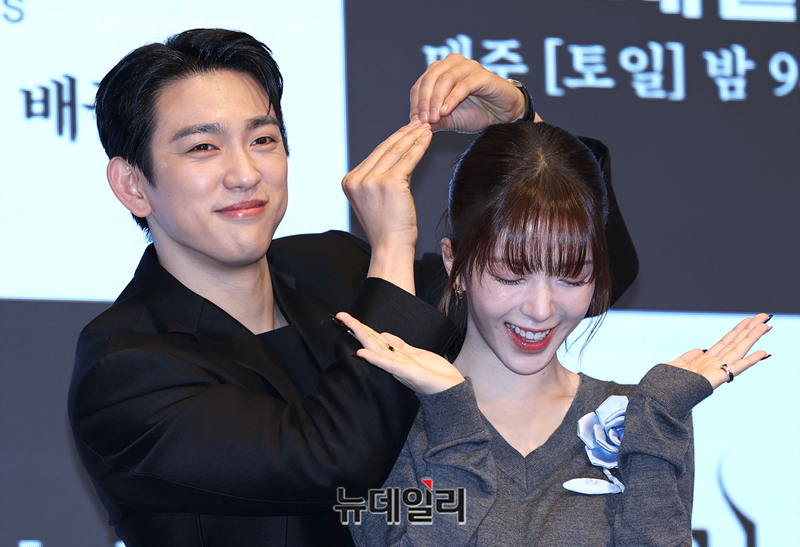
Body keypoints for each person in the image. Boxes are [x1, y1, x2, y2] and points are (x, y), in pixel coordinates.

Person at [68, 30, 636, 545]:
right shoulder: (125, 370)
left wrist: (520, 125)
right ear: (132, 184)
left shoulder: (335, 267)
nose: (244, 173)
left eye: (263, 139)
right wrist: (391, 247)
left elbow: (565, 277)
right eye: (202, 147)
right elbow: (334, 461)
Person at [337, 121, 771, 545]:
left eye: (572, 276)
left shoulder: (638, 420)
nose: (541, 309)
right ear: (455, 265)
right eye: (511, 275)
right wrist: (453, 421)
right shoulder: (389, 422)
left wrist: (655, 422)